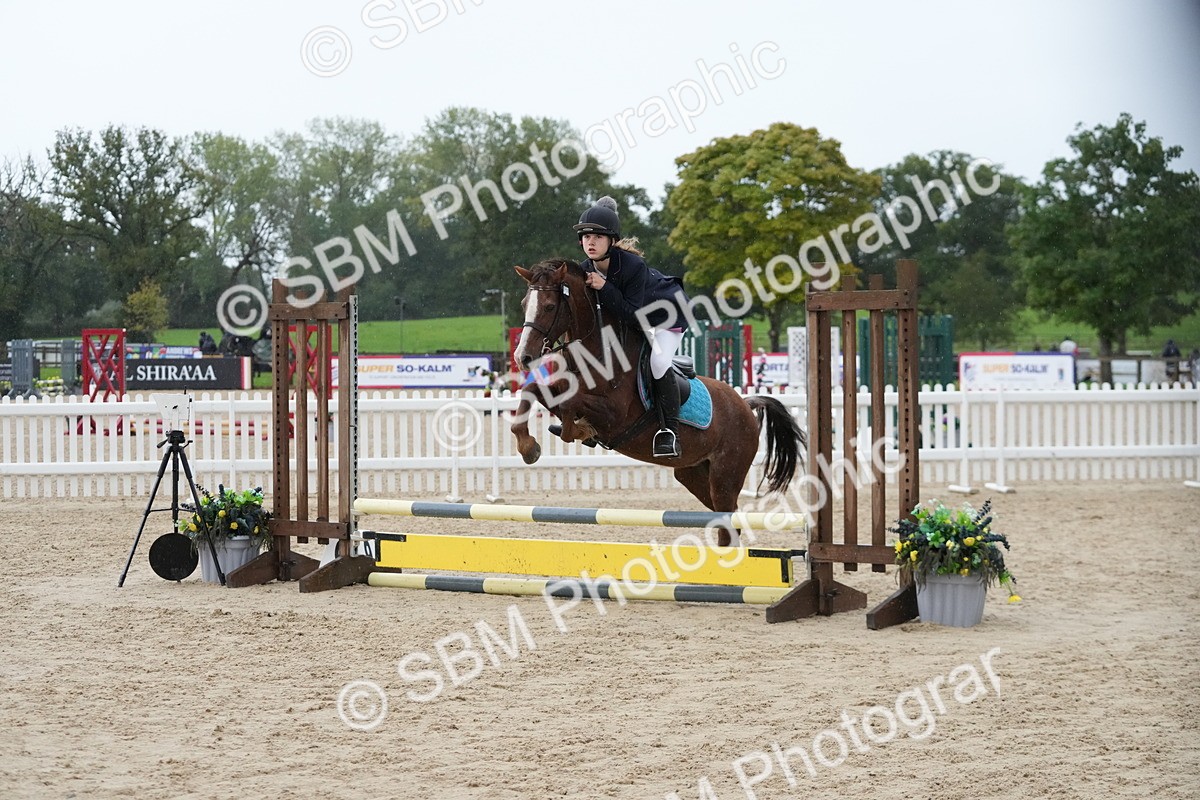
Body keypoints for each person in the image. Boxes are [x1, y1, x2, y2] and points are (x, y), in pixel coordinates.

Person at [575, 196, 691, 458]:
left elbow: (635, 317)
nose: (590, 242)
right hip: (635, 318)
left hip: (668, 315)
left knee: (659, 363)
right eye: (586, 237)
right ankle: (589, 423)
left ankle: (669, 432)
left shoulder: (632, 266)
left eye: (598, 237)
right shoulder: (585, 269)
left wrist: (605, 287)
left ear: (611, 241)